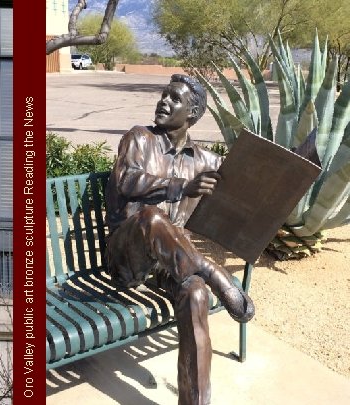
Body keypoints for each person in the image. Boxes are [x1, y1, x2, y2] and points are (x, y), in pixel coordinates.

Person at [104, 74, 254, 405]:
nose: (164, 101)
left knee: (196, 293)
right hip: (126, 257)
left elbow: (244, 181)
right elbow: (127, 180)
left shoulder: (202, 160)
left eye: (174, 99)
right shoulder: (139, 139)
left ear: (192, 112)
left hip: (169, 266)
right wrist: (179, 186)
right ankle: (216, 275)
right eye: (164, 95)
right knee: (150, 217)